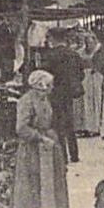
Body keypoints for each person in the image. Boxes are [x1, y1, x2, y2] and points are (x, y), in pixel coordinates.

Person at [11, 69, 71, 208]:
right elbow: (21, 128)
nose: (52, 88)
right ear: (40, 85)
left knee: (56, 179)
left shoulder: (45, 100)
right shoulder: (26, 101)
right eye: (49, 85)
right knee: (32, 181)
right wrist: (40, 137)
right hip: (32, 147)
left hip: (49, 144)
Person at [40, 29, 86, 163]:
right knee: (69, 123)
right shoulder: (74, 54)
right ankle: (74, 154)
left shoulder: (51, 55)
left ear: (53, 39)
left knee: (58, 124)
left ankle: (63, 156)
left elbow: (45, 75)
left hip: (56, 91)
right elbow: (81, 74)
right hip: (70, 92)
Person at [77, 30, 104, 140]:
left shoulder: (99, 50)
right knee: (86, 101)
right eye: (87, 42)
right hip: (86, 77)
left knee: (96, 101)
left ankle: (96, 127)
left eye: (91, 42)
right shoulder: (81, 52)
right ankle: (87, 126)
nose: (89, 44)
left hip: (97, 76)